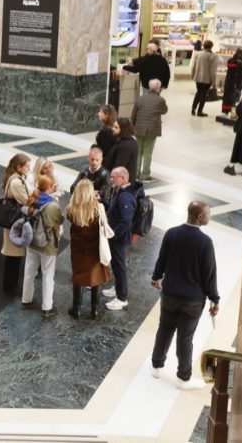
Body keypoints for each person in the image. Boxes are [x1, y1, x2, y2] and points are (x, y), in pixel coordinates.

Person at [150, 201, 220, 390]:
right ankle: (184, 377)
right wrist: (215, 299)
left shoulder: (171, 233)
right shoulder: (205, 242)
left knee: (164, 329)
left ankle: (156, 365)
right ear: (199, 216)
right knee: (185, 337)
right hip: (192, 300)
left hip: (170, 294)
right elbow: (209, 274)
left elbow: (161, 259)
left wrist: (156, 277)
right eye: (208, 214)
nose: (209, 217)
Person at [20, 175, 64, 318]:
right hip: (47, 245)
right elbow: (60, 220)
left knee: (29, 272)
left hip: (31, 242)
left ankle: (26, 300)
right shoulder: (52, 205)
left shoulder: (31, 199)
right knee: (48, 276)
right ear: (50, 188)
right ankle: (47, 308)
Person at [67, 180, 112, 320]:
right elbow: (105, 226)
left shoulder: (71, 209)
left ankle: (76, 310)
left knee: (78, 277)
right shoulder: (99, 208)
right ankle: (95, 311)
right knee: (96, 278)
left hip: (78, 249)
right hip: (95, 250)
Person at [104, 167, 140, 311]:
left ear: (123, 178)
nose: (111, 179)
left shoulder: (125, 196)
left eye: (114, 177)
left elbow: (126, 221)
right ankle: (117, 288)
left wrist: (113, 234)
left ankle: (121, 297)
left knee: (119, 266)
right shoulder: (121, 192)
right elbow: (115, 209)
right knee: (116, 264)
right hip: (116, 236)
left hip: (118, 237)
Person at [0, 153, 31, 294]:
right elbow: (26, 200)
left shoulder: (13, 178)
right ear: (19, 167)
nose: (28, 169)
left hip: (11, 222)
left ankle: (10, 286)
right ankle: (10, 287)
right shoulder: (16, 182)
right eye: (27, 166)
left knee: (12, 257)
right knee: (13, 257)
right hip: (15, 223)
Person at [130, 79, 168, 182]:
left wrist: (132, 128)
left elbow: (133, 114)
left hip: (138, 129)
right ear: (158, 88)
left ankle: (136, 173)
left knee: (138, 151)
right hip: (152, 130)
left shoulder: (140, 98)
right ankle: (145, 174)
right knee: (147, 152)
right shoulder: (160, 100)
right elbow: (164, 111)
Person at [190, 40, 219, 117]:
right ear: (211, 46)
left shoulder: (198, 54)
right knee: (203, 95)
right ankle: (200, 111)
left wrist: (193, 75)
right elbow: (212, 70)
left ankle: (193, 108)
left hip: (198, 77)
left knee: (198, 92)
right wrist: (214, 82)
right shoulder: (213, 56)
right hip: (207, 79)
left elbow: (194, 66)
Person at [221, 48, 242, 115]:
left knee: (227, 97)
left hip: (229, 83)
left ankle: (226, 110)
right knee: (234, 99)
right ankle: (232, 112)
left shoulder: (231, 61)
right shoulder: (241, 65)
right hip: (236, 85)